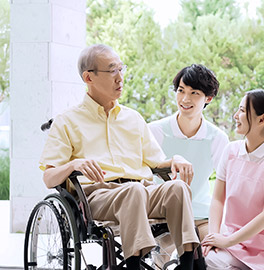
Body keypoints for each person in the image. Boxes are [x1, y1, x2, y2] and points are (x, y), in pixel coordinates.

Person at [39, 44, 201, 270]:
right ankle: (133, 265)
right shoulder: (67, 121)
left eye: (121, 69)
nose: (120, 77)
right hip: (100, 197)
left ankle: (189, 263)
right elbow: (49, 178)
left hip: (143, 193)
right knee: (132, 192)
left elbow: (157, 163)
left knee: (177, 188)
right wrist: (75, 164)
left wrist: (176, 159)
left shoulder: (133, 118)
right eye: (112, 70)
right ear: (89, 77)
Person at [202, 89, 264, 269]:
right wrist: (214, 237)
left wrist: (228, 240)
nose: (235, 116)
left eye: (242, 111)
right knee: (202, 260)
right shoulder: (231, 151)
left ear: (262, 120)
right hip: (234, 245)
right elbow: (217, 199)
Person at [149, 64, 229, 241]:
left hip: (201, 215)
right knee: (159, 260)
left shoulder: (217, 139)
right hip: (162, 216)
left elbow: (227, 184)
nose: (185, 99)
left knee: (213, 253)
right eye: (181, 90)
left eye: (194, 93)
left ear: (208, 98)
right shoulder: (155, 131)